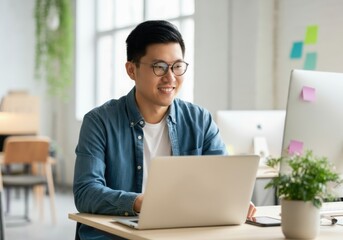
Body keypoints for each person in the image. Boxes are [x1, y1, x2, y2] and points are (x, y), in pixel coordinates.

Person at [73, 20, 256, 240]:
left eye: (177, 66)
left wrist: (233, 200)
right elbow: (86, 192)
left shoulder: (200, 120)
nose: (170, 78)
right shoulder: (99, 121)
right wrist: (139, 202)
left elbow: (223, 184)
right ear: (132, 70)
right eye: (159, 67)